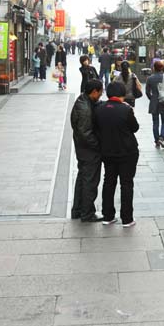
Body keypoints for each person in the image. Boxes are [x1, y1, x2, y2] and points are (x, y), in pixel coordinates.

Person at [96, 82, 140, 227]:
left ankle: (107, 216)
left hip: (107, 152)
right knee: (126, 184)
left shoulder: (100, 109)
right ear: (122, 94)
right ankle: (127, 219)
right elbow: (135, 128)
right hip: (127, 152)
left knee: (109, 182)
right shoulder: (125, 109)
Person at [70, 79, 103, 222]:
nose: (101, 95)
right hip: (88, 151)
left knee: (83, 178)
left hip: (82, 149)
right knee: (90, 181)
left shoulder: (83, 100)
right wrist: (99, 146)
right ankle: (87, 213)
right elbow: (86, 134)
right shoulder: (84, 108)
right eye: (100, 92)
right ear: (94, 91)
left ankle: (78, 210)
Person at [146, 60, 164, 149]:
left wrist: (152, 98)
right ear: (162, 68)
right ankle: (162, 137)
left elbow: (147, 92)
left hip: (154, 102)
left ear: (154, 68)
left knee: (155, 123)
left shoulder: (150, 78)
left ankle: (157, 141)